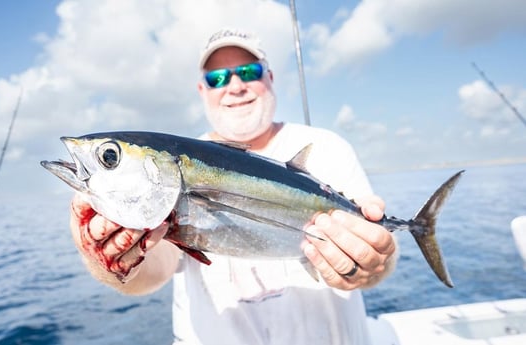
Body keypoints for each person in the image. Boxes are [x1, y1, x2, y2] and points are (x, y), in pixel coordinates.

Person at [69, 28, 397, 345]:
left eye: (249, 71)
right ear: (203, 90)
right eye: (218, 78)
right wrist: (108, 262)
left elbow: (378, 246)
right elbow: (155, 267)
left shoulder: (328, 147)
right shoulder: (173, 179)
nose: (235, 85)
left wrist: (375, 263)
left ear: (270, 78)